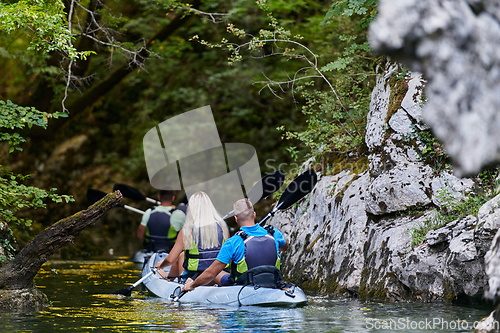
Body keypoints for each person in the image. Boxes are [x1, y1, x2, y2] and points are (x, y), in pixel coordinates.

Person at [181, 198, 288, 292]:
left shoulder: (233, 242)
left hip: (244, 285)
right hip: (272, 282)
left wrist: (193, 285)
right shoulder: (274, 233)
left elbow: (210, 274)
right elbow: (285, 247)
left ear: (236, 218)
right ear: (254, 215)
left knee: (217, 272)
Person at [155, 191, 230, 280]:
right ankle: (170, 277)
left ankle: (170, 278)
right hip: (219, 274)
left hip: (195, 277)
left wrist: (161, 265)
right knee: (182, 255)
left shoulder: (186, 230)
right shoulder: (223, 227)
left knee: (181, 255)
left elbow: (170, 260)